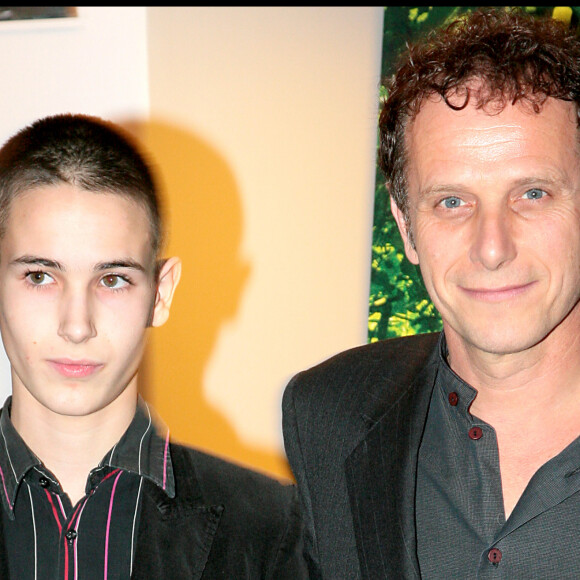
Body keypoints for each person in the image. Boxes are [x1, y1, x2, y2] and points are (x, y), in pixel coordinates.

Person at [283, 7, 580, 579]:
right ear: (405, 228)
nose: (492, 247)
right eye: (451, 202)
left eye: (533, 193)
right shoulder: (328, 412)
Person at [0, 113, 306, 579]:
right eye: (40, 277)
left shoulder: (272, 528)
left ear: (160, 294)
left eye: (113, 279)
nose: (77, 326)